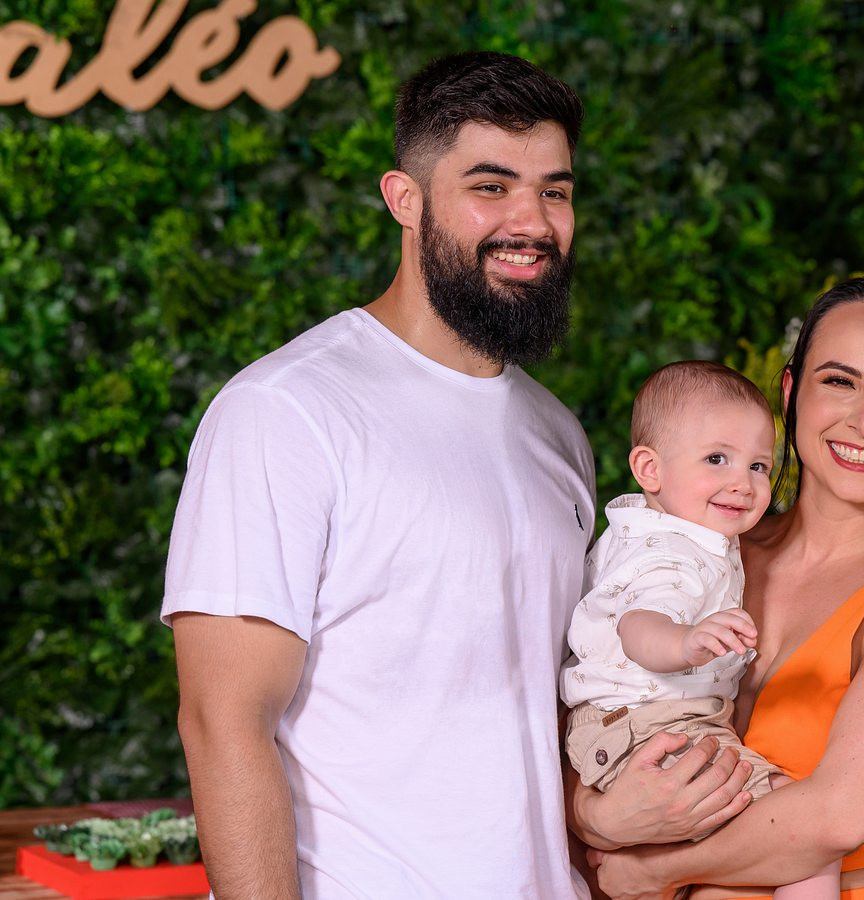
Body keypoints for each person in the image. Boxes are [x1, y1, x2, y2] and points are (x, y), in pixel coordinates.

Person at [161, 52, 599, 898]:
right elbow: (223, 723)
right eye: (491, 186)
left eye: (554, 191)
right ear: (404, 199)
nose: (532, 221)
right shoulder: (285, 411)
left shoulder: (556, 433)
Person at [569, 273, 864, 899]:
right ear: (791, 393)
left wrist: (651, 870)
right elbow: (574, 713)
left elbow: (841, 814)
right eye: (840, 381)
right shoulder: (700, 553)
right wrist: (600, 816)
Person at [560, 360, 838, 899]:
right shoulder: (671, 554)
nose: (743, 483)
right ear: (650, 469)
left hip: (640, 724)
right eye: (717, 459)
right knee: (803, 836)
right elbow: (637, 626)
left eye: (758, 465)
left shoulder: (667, 531)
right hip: (650, 726)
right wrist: (685, 642)